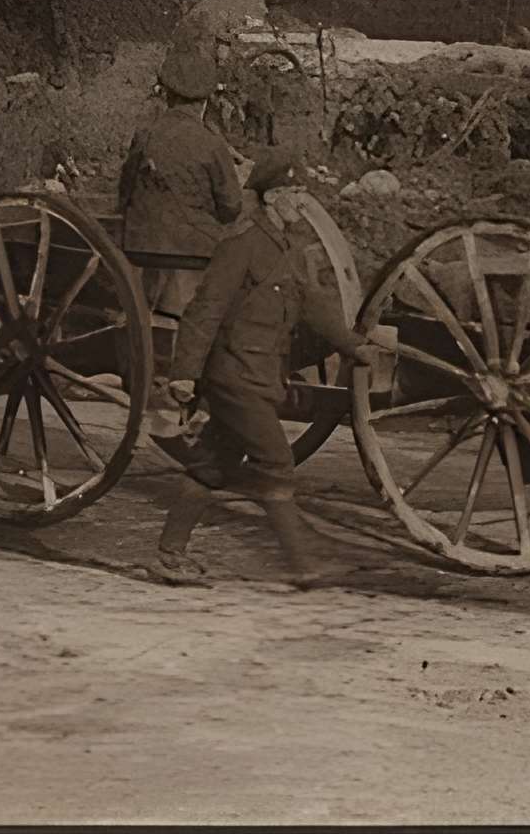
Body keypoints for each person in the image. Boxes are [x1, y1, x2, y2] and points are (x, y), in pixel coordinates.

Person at [149, 150, 393, 588]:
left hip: (258, 374)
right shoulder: (241, 245)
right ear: (274, 196)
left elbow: (312, 306)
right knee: (276, 462)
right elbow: (205, 309)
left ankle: (169, 555)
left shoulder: (287, 248)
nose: (301, 201)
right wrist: (184, 373)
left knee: (212, 466)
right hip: (235, 375)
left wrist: (354, 345)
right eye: (295, 192)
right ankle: (303, 566)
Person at [119, 39, 243, 318]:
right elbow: (231, 208)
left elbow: (124, 194)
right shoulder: (212, 144)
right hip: (193, 250)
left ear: (168, 95)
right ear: (205, 101)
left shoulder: (145, 135)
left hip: (140, 245)